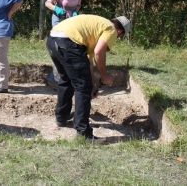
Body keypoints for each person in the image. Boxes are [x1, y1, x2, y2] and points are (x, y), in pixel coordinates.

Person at [45, 14, 131, 142]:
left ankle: (61, 118)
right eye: (119, 37)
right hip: (69, 44)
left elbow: (88, 62)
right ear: (119, 31)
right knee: (82, 88)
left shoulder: (97, 26)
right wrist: (104, 76)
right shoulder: (111, 29)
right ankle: (84, 134)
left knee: (66, 80)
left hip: (53, 40)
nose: (116, 38)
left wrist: (92, 85)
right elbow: (98, 52)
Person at [45, 0, 90, 89]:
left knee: (70, 49)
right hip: (59, 19)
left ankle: (64, 79)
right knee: (59, 48)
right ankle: (55, 80)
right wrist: (57, 9)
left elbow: (78, 3)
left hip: (72, 20)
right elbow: (47, 3)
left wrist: (75, 11)